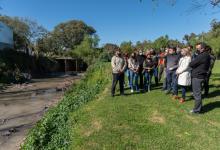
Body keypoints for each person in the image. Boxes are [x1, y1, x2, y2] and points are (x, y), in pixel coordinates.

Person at [189, 42, 211, 114]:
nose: (197, 49)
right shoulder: (206, 55)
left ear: (202, 48)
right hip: (201, 75)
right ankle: (199, 108)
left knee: (197, 94)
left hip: (197, 76)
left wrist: (193, 61)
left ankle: (196, 110)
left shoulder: (202, 55)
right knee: (198, 94)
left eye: (198, 48)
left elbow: (191, 64)